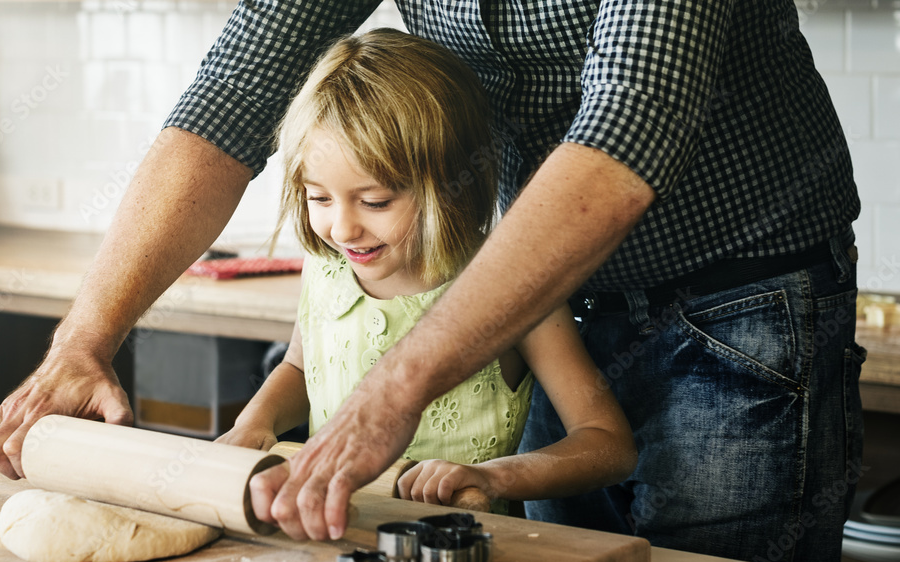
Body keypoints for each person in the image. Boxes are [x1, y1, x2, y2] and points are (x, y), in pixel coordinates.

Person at [0, 1, 863, 562]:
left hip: (743, 300)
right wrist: (86, 338)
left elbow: (630, 119)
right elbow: (233, 93)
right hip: (545, 288)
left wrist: (395, 383)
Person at [217, 30, 637, 516]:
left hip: (462, 558)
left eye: (375, 201)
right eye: (319, 198)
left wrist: (493, 477)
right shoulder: (327, 268)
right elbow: (297, 367)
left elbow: (608, 444)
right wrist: (257, 421)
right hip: (336, 535)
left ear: (452, 186)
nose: (343, 227)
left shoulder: (514, 287)